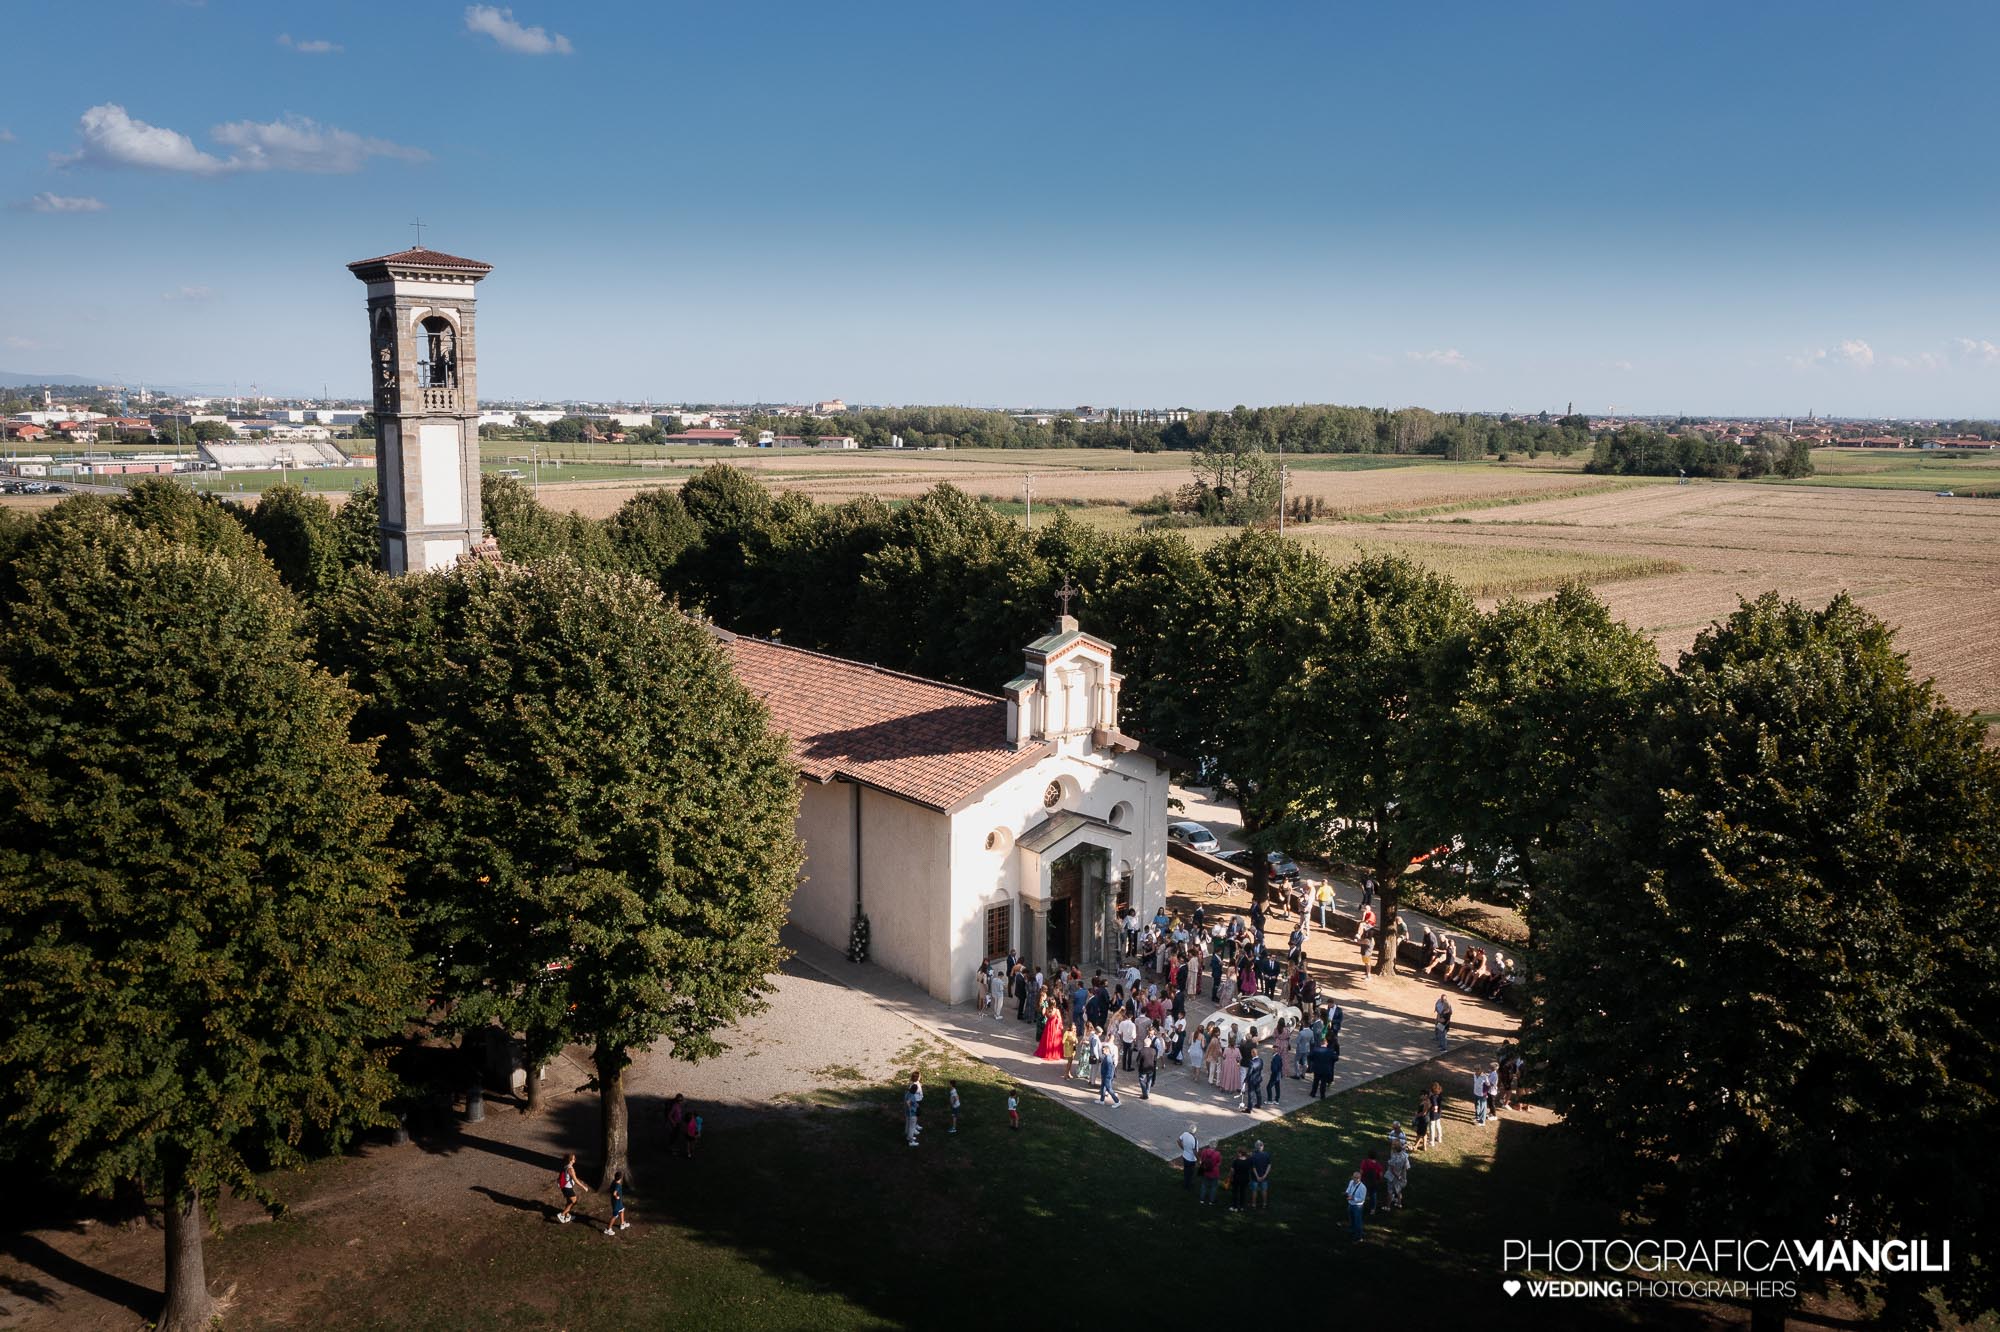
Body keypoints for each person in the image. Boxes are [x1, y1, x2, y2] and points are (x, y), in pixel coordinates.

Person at [555, 1153, 589, 1223]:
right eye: (574, 1158)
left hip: (565, 1187)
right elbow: (575, 1180)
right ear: (570, 1160)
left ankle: (567, 1216)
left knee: (569, 1201)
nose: (575, 1159)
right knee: (574, 1201)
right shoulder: (570, 1169)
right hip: (567, 1188)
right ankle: (562, 1214)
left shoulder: (566, 1166)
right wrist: (584, 1187)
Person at [1248, 1140, 1272, 1211]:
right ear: (1262, 1146)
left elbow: (1253, 1167)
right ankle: (1264, 1204)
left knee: (1254, 1191)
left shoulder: (1253, 1156)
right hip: (1264, 1177)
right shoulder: (1267, 1154)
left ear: (1255, 1147)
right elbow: (1269, 1165)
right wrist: (1265, 1175)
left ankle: (1254, 1204)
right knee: (1264, 1190)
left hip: (1255, 1177)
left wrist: (1257, 1176)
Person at [1097, 1036, 1122, 1107]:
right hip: (1105, 1076)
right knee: (1103, 1087)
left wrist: (1106, 1077)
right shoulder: (1107, 1057)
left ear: (1107, 1050)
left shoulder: (1108, 1059)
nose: (1102, 1050)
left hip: (1107, 1076)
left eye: (1103, 1050)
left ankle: (1117, 1101)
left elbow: (1109, 1069)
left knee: (1109, 1089)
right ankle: (1102, 1100)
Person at [1197, 1140, 1223, 1206]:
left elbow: (1202, 1160)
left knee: (1204, 1185)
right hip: (1214, 1172)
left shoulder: (1204, 1151)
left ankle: (1202, 1199)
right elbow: (1219, 1163)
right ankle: (1211, 1201)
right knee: (1213, 1187)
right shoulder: (1218, 1154)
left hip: (1205, 1171)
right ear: (1216, 1146)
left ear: (1209, 1145)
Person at [1386, 1143, 1411, 1210]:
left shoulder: (1394, 1157)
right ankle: (1399, 1204)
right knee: (1398, 1191)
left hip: (1393, 1176)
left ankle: (1388, 1206)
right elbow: (1406, 1167)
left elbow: (1392, 1169)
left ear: (1394, 1150)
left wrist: (1398, 1176)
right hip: (1401, 1175)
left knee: (1390, 1191)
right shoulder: (1404, 1156)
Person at [603, 1170, 629, 1235]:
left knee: (622, 1210)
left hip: (617, 1202)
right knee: (615, 1216)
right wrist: (617, 1196)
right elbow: (614, 1193)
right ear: (620, 1178)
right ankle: (608, 1229)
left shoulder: (613, 1183)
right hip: (616, 1203)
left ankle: (622, 1224)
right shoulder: (618, 1185)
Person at [1345, 1170, 1368, 1240]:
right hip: (1350, 1204)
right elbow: (1349, 1189)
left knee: (1358, 1221)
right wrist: (1346, 1193)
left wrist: (1353, 1198)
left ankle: (1358, 1235)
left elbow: (1362, 1199)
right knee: (1351, 1218)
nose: (1354, 1179)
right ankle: (1352, 1229)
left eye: (1356, 1178)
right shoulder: (1351, 1182)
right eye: (1354, 1177)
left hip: (1358, 1206)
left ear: (1360, 1178)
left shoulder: (1363, 1187)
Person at [1242, 1045, 1264, 1112]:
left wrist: (1245, 1080)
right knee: (1258, 1092)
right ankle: (1259, 1104)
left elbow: (1249, 1073)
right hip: (1258, 1078)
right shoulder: (1260, 1060)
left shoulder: (1251, 1062)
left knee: (1250, 1094)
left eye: (1251, 1053)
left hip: (1252, 1080)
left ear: (1253, 1054)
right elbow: (1261, 1068)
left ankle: (1249, 1108)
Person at [1229, 1147, 1252, 1212]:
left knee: (1235, 1192)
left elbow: (1232, 1171)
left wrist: (1230, 1177)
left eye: (1238, 1152)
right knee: (1243, 1192)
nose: (1237, 1153)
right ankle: (1242, 1207)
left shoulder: (1235, 1161)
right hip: (1245, 1179)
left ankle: (1234, 1206)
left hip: (1236, 1179)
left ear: (1240, 1153)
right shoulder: (1248, 1161)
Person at [1178, 1124, 1199, 1189]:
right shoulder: (1194, 1140)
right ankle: (1188, 1185)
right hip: (1191, 1159)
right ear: (1195, 1131)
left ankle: (1185, 1182)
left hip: (1185, 1156)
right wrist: (1198, 1159)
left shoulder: (1184, 1134)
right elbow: (1195, 1151)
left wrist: (1183, 1148)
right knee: (1190, 1172)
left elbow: (1178, 1140)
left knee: (1186, 1170)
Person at [1426, 1082, 1445, 1149]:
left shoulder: (1433, 1096)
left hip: (1433, 1114)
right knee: (1438, 1125)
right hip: (1439, 1113)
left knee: (1432, 1126)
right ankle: (1439, 1138)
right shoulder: (1440, 1094)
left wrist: (1432, 1109)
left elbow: (1435, 1107)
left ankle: (1431, 1141)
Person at [904, 1080, 922, 1147]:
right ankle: (911, 1141)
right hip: (912, 1114)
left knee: (908, 1125)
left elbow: (907, 1102)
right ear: (915, 1090)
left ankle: (908, 1136)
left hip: (907, 1113)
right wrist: (913, 1107)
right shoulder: (912, 1096)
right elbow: (908, 1103)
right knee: (912, 1128)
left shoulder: (907, 1094)